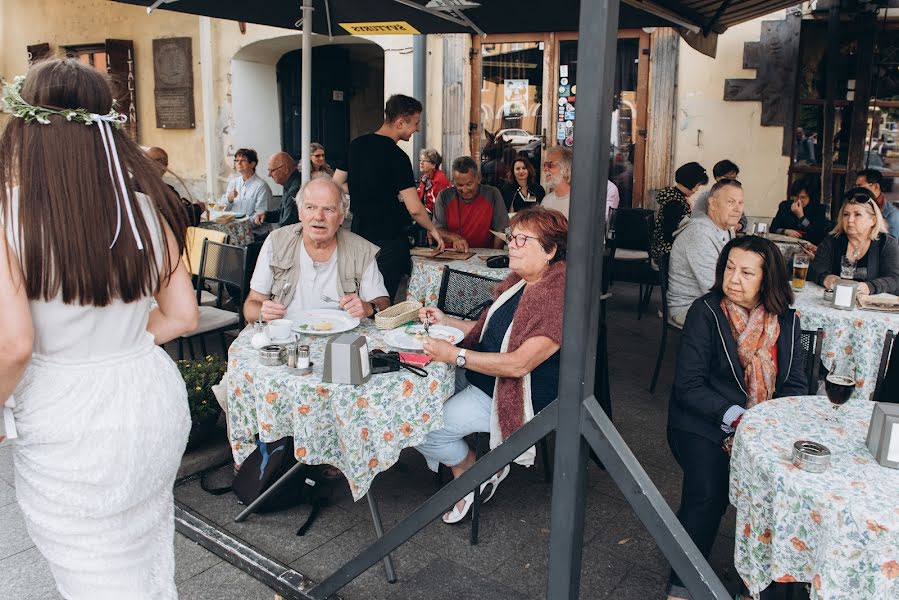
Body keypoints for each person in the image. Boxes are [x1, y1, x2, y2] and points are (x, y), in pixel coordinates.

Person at [0, 58, 198, 596]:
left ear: (25, 129)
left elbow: (15, 345)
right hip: (149, 395)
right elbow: (183, 315)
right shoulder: (148, 209)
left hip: (68, 413)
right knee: (144, 547)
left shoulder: (7, 214)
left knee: (91, 570)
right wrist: (123, 342)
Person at [665, 236, 808, 600]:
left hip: (767, 429)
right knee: (707, 492)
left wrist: (772, 424)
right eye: (730, 268)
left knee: (789, 493)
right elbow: (689, 385)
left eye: (746, 272)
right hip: (704, 423)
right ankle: (681, 584)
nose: (734, 278)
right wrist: (740, 418)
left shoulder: (788, 321)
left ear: (767, 279)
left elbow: (796, 382)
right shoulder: (707, 311)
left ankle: (758, 584)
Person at [415, 207, 567, 523]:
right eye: (512, 237)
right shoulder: (522, 283)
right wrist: (446, 321)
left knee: (420, 427)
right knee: (416, 398)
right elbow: (486, 334)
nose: (512, 244)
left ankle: (472, 470)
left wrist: (455, 355)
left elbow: (518, 365)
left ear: (551, 250)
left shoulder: (557, 299)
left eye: (523, 239)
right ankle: (484, 466)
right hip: (485, 377)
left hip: (516, 393)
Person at [333, 95, 444, 300]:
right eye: (416, 123)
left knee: (358, 298)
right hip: (387, 240)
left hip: (358, 236)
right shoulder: (397, 156)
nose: (417, 129)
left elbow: (337, 182)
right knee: (381, 301)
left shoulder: (355, 145)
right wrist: (432, 229)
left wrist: (361, 191)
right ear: (400, 122)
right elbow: (414, 208)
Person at [244, 177, 391, 323]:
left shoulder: (361, 250)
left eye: (328, 209)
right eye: (310, 207)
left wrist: (370, 307)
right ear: (300, 213)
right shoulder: (276, 242)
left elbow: (384, 305)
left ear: (341, 216)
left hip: (344, 339)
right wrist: (263, 312)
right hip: (287, 336)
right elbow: (250, 306)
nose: (319, 217)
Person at [667, 179, 744, 325]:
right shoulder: (699, 234)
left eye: (740, 203)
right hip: (690, 308)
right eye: (731, 202)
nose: (737, 209)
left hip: (711, 301)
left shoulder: (727, 230)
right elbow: (712, 288)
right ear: (713, 204)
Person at [809, 188, 899, 296]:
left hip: (869, 307)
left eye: (857, 215)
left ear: (873, 220)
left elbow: (894, 279)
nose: (850, 220)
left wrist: (869, 286)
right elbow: (814, 269)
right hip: (834, 301)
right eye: (846, 214)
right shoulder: (832, 240)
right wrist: (825, 278)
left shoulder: (886, 243)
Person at [433, 156, 509, 251]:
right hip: (452, 255)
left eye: (469, 184)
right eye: (460, 185)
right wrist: (455, 238)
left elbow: (501, 230)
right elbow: (436, 230)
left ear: (478, 178)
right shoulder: (444, 196)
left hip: (483, 255)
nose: (464, 190)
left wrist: (494, 255)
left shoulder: (493, 194)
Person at [650, 162, 709, 261]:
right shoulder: (675, 202)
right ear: (691, 182)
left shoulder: (676, 196)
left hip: (669, 246)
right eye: (698, 185)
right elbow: (670, 233)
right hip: (667, 252)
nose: (697, 189)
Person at [146, 146, 205, 226]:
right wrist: (199, 207)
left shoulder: (130, 184)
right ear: (164, 167)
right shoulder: (165, 191)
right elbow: (182, 218)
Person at [220, 148, 273, 227]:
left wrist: (239, 225)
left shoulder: (261, 186)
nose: (239, 163)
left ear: (252, 164)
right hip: (235, 231)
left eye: (243, 160)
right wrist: (229, 200)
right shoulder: (233, 183)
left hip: (256, 234)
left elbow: (261, 215)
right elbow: (223, 210)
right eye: (237, 160)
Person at [692, 159, 746, 233]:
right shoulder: (706, 196)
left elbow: (743, 219)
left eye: (734, 178)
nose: (731, 181)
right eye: (727, 178)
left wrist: (739, 225)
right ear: (717, 177)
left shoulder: (735, 196)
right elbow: (697, 218)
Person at [770, 178, 829, 244]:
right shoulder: (785, 206)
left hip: (808, 246)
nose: (799, 200)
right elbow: (772, 228)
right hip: (786, 243)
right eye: (796, 196)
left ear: (810, 198)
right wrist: (785, 231)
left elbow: (817, 235)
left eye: (803, 197)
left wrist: (801, 217)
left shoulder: (818, 209)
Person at [255, 151, 301, 228]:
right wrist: (266, 215)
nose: (269, 175)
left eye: (272, 170)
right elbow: (282, 212)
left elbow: (287, 224)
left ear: (286, 169)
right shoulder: (288, 183)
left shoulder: (295, 188)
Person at [855, 168, 899, 239]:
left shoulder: (892, 214)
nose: (856, 190)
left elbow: (891, 246)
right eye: (856, 186)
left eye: (860, 186)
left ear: (876, 187)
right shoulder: (856, 206)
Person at [540, 146, 573, 216]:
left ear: (566, 169)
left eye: (550, 164)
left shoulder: (578, 201)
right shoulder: (546, 201)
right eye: (544, 165)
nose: (545, 169)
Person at [417, 148, 451, 213]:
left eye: (424, 161)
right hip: (428, 210)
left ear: (433, 165)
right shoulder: (425, 177)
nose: (421, 162)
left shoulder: (439, 179)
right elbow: (418, 195)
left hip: (438, 215)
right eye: (420, 160)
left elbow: (434, 206)